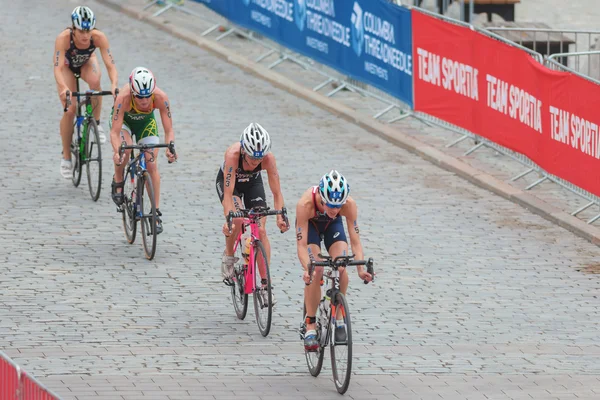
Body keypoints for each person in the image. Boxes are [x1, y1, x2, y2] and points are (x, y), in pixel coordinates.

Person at [295, 170, 373, 351]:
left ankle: (337, 315)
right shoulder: (305, 205)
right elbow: (301, 245)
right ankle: (311, 325)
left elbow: (355, 241)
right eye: (330, 205)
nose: (335, 210)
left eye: (338, 206)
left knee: (342, 265)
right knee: (317, 270)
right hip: (312, 229)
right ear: (322, 197)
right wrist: (308, 268)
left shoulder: (348, 205)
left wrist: (361, 270)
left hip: (333, 227)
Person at [216, 123, 289, 305]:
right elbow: (227, 193)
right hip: (231, 185)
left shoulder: (268, 159)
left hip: (252, 184)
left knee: (261, 231)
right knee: (238, 219)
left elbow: (277, 193)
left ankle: (265, 285)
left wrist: (280, 216)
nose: (255, 162)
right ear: (243, 151)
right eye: (251, 159)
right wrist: (229, 218)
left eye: (259, 159)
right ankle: (229, 256)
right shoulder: (232, 155)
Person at [110, 67, 177, 234]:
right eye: (140, 96)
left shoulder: (161, 97)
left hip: (146, 124)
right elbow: (114, 132)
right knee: (125, 151)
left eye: (148, 96)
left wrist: (170, 148)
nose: (145, 100)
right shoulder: (123, 98)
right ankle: (118, 179)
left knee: (151, 164)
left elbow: (169, 130)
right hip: (124, 123)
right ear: (133, 92)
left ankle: (155, 214)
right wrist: (117, 151)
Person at [54, 6, 119, 178]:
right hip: (67, 67)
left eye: (88, 30)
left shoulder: (98, 38)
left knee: (96, 82)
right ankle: (66, 157)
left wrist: (114, 85)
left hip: (86, 62)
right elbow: (58, 68)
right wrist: (64, 88)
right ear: (73, 29)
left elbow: (110, 64)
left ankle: (96, 123)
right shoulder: (63, 39)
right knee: (70, 109)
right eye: (81, 31)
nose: (85, 35)